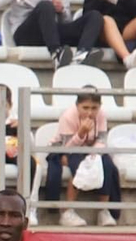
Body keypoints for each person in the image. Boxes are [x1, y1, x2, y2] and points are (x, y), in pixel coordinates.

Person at [43, 90, 122, 226]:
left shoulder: (102, 115)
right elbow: (67, 146)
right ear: (77, 106)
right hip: (66, 149)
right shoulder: (68, 116)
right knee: (79, 166)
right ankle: (67, 211)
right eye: (85, 108)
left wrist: (94, 154)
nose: (90, 113)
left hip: (92, 149)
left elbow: (102, 138)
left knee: (107, 165)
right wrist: (81, 132)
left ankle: (103, 210)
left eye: (94, 108)